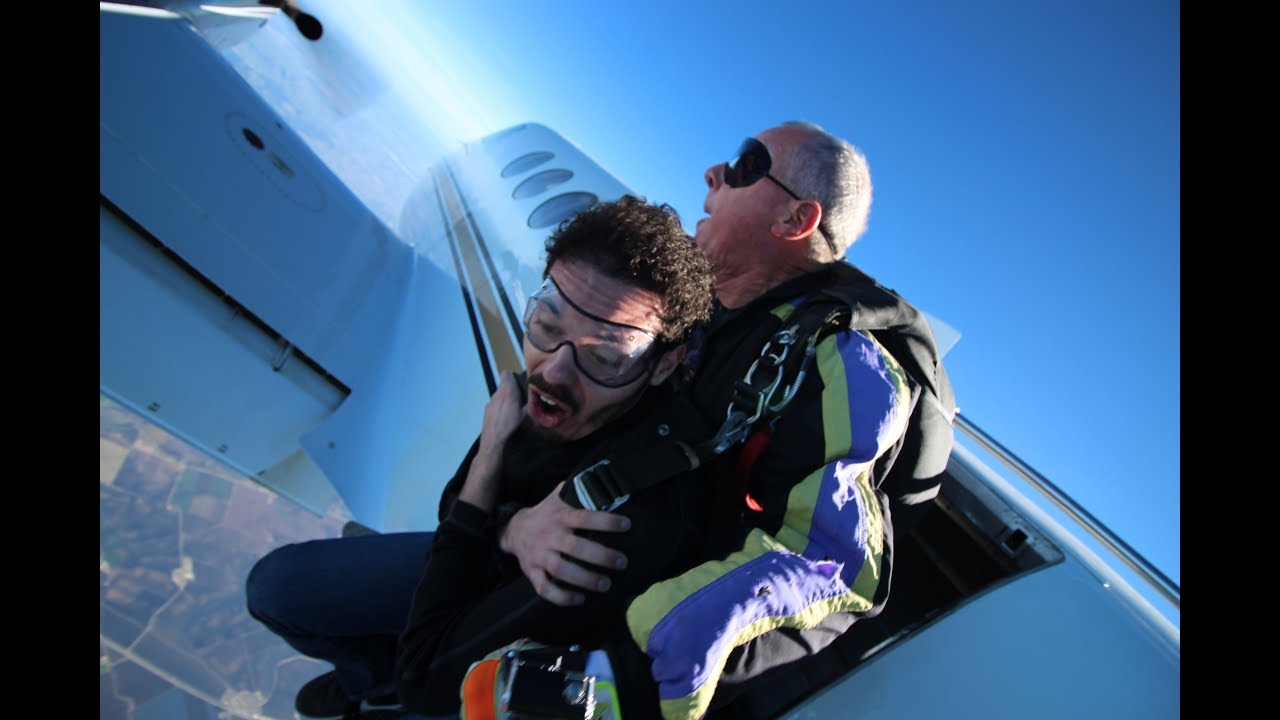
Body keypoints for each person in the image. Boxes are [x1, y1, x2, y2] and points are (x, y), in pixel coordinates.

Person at [490, 121, 957, 719]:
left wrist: (613, 682)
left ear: (795, 219)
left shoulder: (848, 361)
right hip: (537, 550)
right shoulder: (713, 315)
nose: (713, 174)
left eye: (746, 164)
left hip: (610, 628)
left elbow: (833, 564)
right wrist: (510, 524)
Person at [244, 195, 716, 719]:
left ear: (663, 365)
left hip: (507, 635)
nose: (554, 372)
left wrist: (490, 455)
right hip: (486, 559)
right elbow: (453, 507)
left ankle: (382, 690)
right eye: (547, 325)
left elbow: (426, 677)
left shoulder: (612, 529)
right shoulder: (562, 398)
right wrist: (509, 529)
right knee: (275, 588)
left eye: (605, 356)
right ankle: (373, 679)